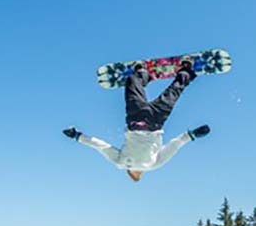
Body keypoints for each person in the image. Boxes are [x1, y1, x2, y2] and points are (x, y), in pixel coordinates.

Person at [64, 63, 210, 181]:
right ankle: (185, 71)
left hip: (136, 119)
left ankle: (141, 74)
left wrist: (78, 136)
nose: (138, 173)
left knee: (132, 84)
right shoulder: (153, 165)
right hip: (155, 122)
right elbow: (174, 145)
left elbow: (101, 146)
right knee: (173, 93)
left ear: (130, 172)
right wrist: (192, 135)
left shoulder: (120, 163)